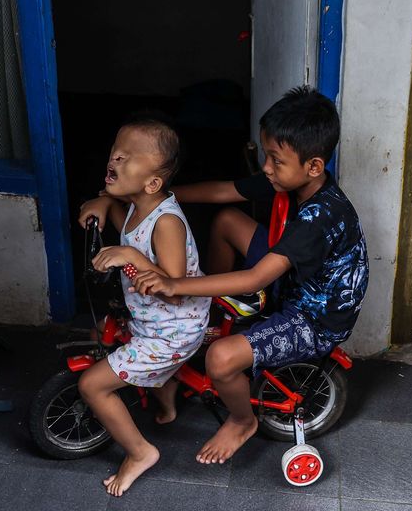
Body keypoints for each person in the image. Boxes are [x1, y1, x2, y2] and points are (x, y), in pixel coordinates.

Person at [130, 87, 368, 466]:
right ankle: (208, 313)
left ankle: (242, 421)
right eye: (266, 156)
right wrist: (152, 195)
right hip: (295, 276)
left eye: (275, 160)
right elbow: (223, 192)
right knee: (227, 221)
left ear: (314, 166)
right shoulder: (291, 179)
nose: (267, 168)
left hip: (314, 315)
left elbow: (256, 278)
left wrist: (174, 285)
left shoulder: (320, 216)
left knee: (222, 359)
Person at [75, 119, 211, 497]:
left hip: (173, 330)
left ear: (153, 183)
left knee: (92, 385)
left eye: (127, 157)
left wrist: (129, 254)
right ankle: (165, 395)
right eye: (115, 152)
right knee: (101, 331)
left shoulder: (167, 222)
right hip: (152, 320)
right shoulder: (138, 205)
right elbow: (122, 219)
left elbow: (174, 290)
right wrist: (104, 201)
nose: (114, 158)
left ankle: (139, 452)